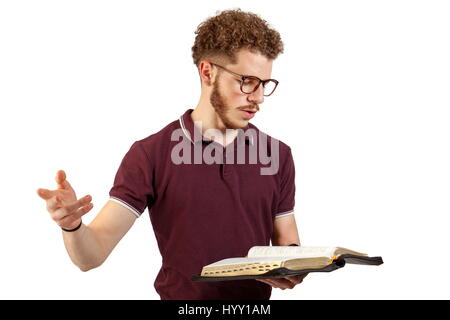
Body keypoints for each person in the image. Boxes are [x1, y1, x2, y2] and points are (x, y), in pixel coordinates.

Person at [37, 9, 307, 300]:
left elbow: (287, 243)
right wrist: (72, 225)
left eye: (264, 84)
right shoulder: (151, 154)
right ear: (207, 72)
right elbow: (92, 256)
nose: (257, 97)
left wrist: (296, 267)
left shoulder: (277, 154)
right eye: (247, 81)